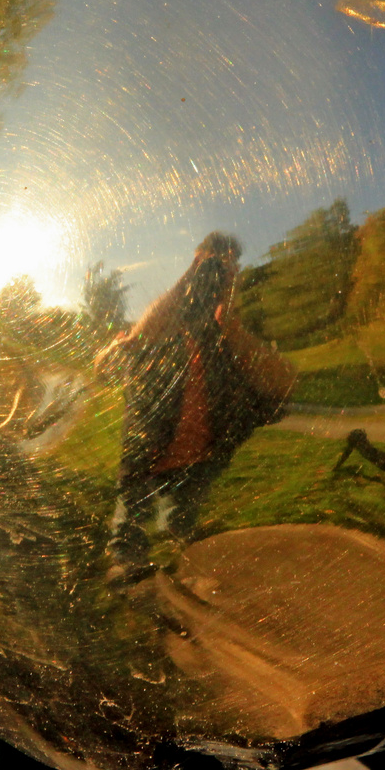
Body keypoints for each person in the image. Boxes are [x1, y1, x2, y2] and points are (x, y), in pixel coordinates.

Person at [96, 232, 297, 584]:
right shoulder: (155, 320)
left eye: (226, 264)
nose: (213, 272)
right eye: (208, 260)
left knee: (182, 517)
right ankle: (126, 564)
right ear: (193, 259)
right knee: (130, 514)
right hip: (148, 451)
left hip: (200, 456)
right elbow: (129, 348)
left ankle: (183, 557)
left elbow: (282, 384)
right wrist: (186, 282)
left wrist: (228, 320)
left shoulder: (225, 334)